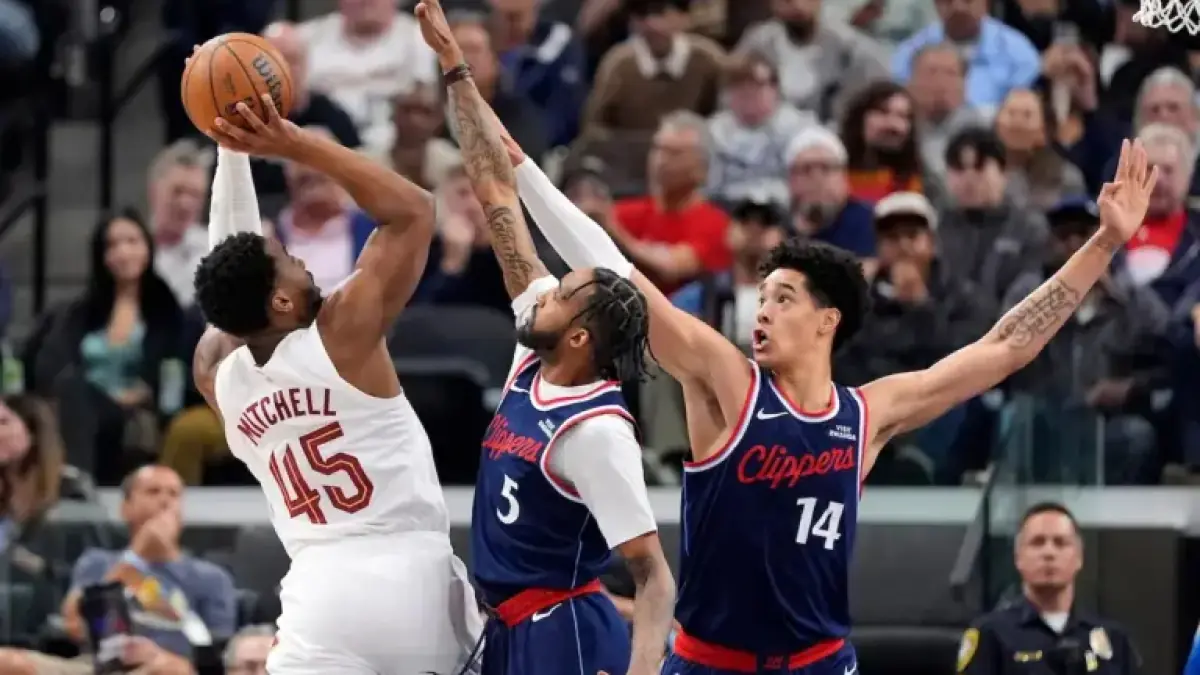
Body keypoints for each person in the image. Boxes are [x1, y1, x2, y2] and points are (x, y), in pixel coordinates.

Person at [510, 87, 1157, 674]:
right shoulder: (730, 382)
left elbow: (1007, 344)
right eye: (762, 296)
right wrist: (525, 174)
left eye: (783, 298)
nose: (763, 310)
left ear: (827, 320)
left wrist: (1103, 243)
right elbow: (618, 274)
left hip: (819, 663)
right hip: (712, 662)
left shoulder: (866, 415)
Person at [413, 3, 676, 674]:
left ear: (581, 337)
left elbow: (653, 574)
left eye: (561, 293)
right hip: (508, 624)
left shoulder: (598, 432)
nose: (544, 290)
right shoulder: (534, 355)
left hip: (566, 633)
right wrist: (456, 68)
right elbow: (495, 191)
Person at [188, 92, 482, 673]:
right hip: (412, 580)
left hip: (317, 593)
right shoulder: (340, 336)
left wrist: (230, 148)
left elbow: (229, 271)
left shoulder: (214, 373)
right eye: (290, 260)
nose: (302, 262)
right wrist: (293, 143)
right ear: (279, 301)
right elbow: (414, 209)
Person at [957, 502, 1143, 675]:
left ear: (1079, 558)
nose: (1049, 552)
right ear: (1018, 558)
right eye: (1037, 542)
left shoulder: (1114, 639)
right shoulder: (991, 635)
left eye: (1060, 543)